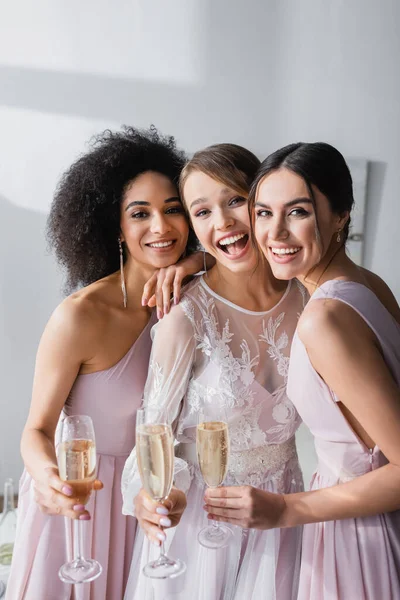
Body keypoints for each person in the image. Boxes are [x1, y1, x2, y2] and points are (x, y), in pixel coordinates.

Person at [6, 126, 202, 600]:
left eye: (173, 209)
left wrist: (196, 264)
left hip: (153, 503)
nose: (161, 227)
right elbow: (35, 430)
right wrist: (49, 479)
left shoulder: (195, 299)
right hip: (84, 504)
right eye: (140, 214)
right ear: (114, 226)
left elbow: (248, 255)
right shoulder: (80, 316)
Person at [204, 142, 400, 600]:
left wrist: (285, 510)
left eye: (297, 212)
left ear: (341, 216)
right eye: (264, 213)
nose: (275, 233)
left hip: (359, 537)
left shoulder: (324, 319)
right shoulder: (368, 284)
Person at [122, 143, 307, 600]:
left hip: (283, 512)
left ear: (263, 203)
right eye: (201, 212)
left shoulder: (307, 299)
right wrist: (158, 497)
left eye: (235, 201)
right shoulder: (185, 317)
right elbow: (153, 435)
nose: (222, 222)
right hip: (205, 526)